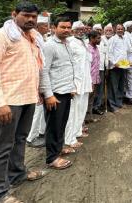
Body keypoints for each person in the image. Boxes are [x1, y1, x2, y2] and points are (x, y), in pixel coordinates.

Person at [0, 2, 46, 202]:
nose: (31, 20)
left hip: (28, 97)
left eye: (34, 16)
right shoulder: (0, 36)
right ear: (14, 14)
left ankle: (17, 174)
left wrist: (39, 92)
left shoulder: (32, 38)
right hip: (8, 101)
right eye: (26, 15)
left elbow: (35, 67)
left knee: (20, 139)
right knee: (3, 146)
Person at [40, 16, 76, 170]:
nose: (67, 30)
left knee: (61, 124)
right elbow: (43, 71)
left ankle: (58, 149)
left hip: (66, 91)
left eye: (68, 27)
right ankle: (52, 158)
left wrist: (71, 87)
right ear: (54, 27)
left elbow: (66, 67)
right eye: (63, 27)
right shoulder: (49, 46)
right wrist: (48, 95)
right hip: (54, 93)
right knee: (53, 127)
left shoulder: (67, 44)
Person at [64, 21, 93, 150]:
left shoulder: (84, 42)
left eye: (83, 29)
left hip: (85, 81)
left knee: (82, 108)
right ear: (73, 30)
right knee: (73, 111)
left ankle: (77, 132)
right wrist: (71, 84)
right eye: (78, 29)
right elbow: (68, 64)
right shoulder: (69, 42)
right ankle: (69, 139)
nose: (81, 31)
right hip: (75, 82)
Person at [26, 15, 50, 148]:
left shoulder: (41, 37)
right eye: (45, 26)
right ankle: (31, 137)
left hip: (41, 76)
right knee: (38, 109)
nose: (47, 28)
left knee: (41, 109)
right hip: (36, 77)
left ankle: (41, 132)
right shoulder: (34, 36)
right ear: (38, 26)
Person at [93, 23, 113, 114]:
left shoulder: (104, 40)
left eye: (100, 30)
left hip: (102, 68)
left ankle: (98, 105)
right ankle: (93, 106)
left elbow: (106, 55)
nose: (98, 31)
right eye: (96, 30)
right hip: (93, 69)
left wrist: (107, 68)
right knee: (94, 89)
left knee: (100, 88)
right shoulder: (88, 41)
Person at [107, 24, 128, 112]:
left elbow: (124, 52)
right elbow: (109, 53)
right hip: (115, 66)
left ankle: (119, 103)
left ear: (123, 30)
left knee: (121, 85)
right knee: (113, 86)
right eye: (118, 29)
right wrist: (114, 63)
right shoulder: (113, 39)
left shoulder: (124, 39)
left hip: (123, 65)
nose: (120, 30)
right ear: (115, 30)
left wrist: (127, 63)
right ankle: (112, 105)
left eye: (121, 29)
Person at [86, 30, 102, 123]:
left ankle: (89, 117)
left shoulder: (96, 48)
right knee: (86, 100)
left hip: (95, 78)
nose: (100, 40)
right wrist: (90, 81)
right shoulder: (88, 49)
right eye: (98, 38)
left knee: (91, 99)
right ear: (92, 38)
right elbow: (87, 67)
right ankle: (83, 120)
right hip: (89, 80)